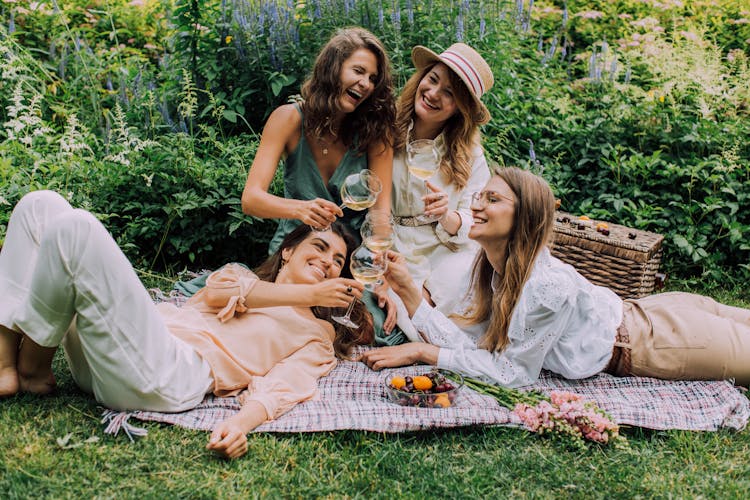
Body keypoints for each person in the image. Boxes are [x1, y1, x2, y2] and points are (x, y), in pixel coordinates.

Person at [0, 191, 371, 459]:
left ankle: (34, 366)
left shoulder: (318, 334)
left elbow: (285, 385)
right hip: (124, 348)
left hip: (168, 373)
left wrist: (241, 424)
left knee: (76, 228)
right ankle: (5, 364)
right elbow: (219, 292)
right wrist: (307, 295)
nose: (328, 261)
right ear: (288, 250)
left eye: (338, 260)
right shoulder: (238, 277)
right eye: (320, 247)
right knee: (40, 206)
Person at [361, 167, 750, 388]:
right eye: (480, 196)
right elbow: (479, 347)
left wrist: (423, 351)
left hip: (659, 341)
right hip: (650, 312)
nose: (476, 205)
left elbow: (513, 374)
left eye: (492, 199)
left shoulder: (543, 286)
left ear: (524, 217)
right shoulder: (495, 269)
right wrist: (410, 291)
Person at [241, 27, 396, 253]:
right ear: (332, 68)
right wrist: (300, 209)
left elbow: (380, 215)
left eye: (372, 79)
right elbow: (251, 199)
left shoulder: (375, 132)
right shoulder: (288, 119)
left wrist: (377, 257)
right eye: (358, 71)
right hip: (294, 252)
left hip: (348, 257)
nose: (365, 84)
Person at [388, 42, 494, 333]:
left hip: (443, 252)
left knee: (463, 301)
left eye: (449, 93)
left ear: (461, 108)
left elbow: (479, 218)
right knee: (399, 318)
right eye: (432, 80)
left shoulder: (469, 155)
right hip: (392, 246)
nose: (434, 93)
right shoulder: (387, 131)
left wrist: (448, 216)